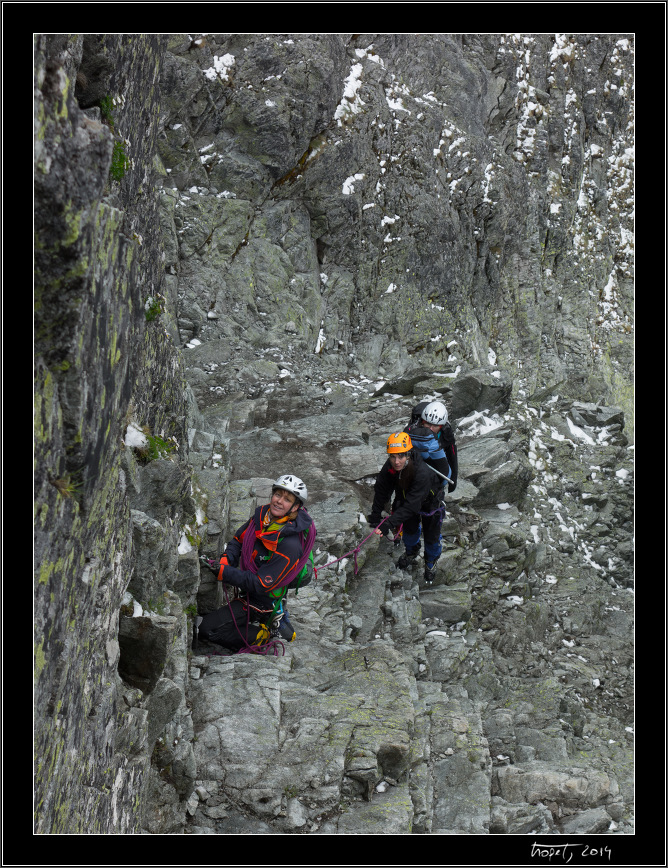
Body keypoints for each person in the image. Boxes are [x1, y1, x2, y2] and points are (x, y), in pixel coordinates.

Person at [197, 474, 316, 652]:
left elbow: (260, 584)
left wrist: (225, 573)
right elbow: (239, 539)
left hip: (262, 600)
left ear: (295, 507)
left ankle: (261, 636)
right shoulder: (262, 517)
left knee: (207, 629)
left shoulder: (290, 545)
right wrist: (227, 559)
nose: (279, 501)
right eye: (278, 495)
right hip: (250, 590)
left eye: (287, 499)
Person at [367, 432, 445, 583]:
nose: (397, 461)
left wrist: (388, 524)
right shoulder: (390, 467)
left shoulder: (422, 472)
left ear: (408, 454)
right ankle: (411, 551)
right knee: (409, 532)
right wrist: (375, 515)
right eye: (393, 456)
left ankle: (430, 562)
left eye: (401, 456)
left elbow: (412, 506)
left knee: (432, 538)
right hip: (406, 500)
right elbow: (382, 490)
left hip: (431, 504)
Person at [405, 400, 458, 494]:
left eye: (435, 426)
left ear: (441, 426)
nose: (431, 429)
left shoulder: (446, 431)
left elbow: (452, 453)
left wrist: (454, 477)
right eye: (428, 424)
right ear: (422, 422)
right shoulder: (412, 430)